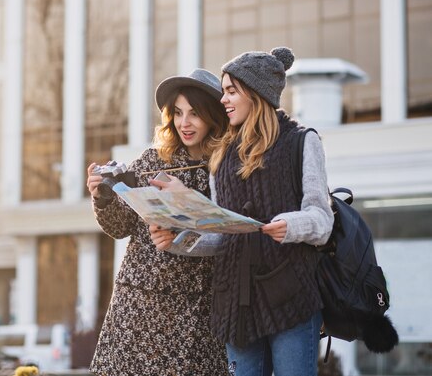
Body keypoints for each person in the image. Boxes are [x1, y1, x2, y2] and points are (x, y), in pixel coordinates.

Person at [149, 48, 334, 376]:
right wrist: (179, 239)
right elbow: (224, 235)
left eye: (231, 91)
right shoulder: (221, 157)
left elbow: (322, 219)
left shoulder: (302, 142)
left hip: (291, 299)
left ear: (256, 93)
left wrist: (289, 225)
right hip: (236, 305)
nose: (223, 100)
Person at [87, 68, 230, 376]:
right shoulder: (152, 160)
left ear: (213, 116)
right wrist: (102, 197)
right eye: (177, 113)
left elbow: (226, 230)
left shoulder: (224, 164)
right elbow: (120, 227)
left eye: (194, 114)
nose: (184, 123)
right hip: (139, 298)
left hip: (195, 304)